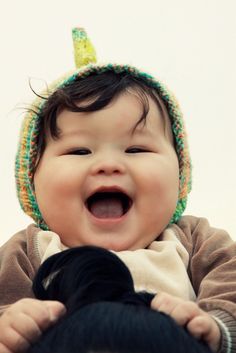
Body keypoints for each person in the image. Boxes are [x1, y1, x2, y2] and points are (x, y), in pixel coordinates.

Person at [0, 27, 235, 353]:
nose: (108, 165)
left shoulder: (195, 242)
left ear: (180, 176)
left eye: (136, 149)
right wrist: (8, 326)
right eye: (79, 151)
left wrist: (217, 325)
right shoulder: (28, 251)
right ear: (32, 180)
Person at [28, 245, 212, 353]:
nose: (108, 175)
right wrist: (15, 331)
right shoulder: (30, 246)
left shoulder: (193, 238)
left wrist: (218, 329)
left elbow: (228, 284)